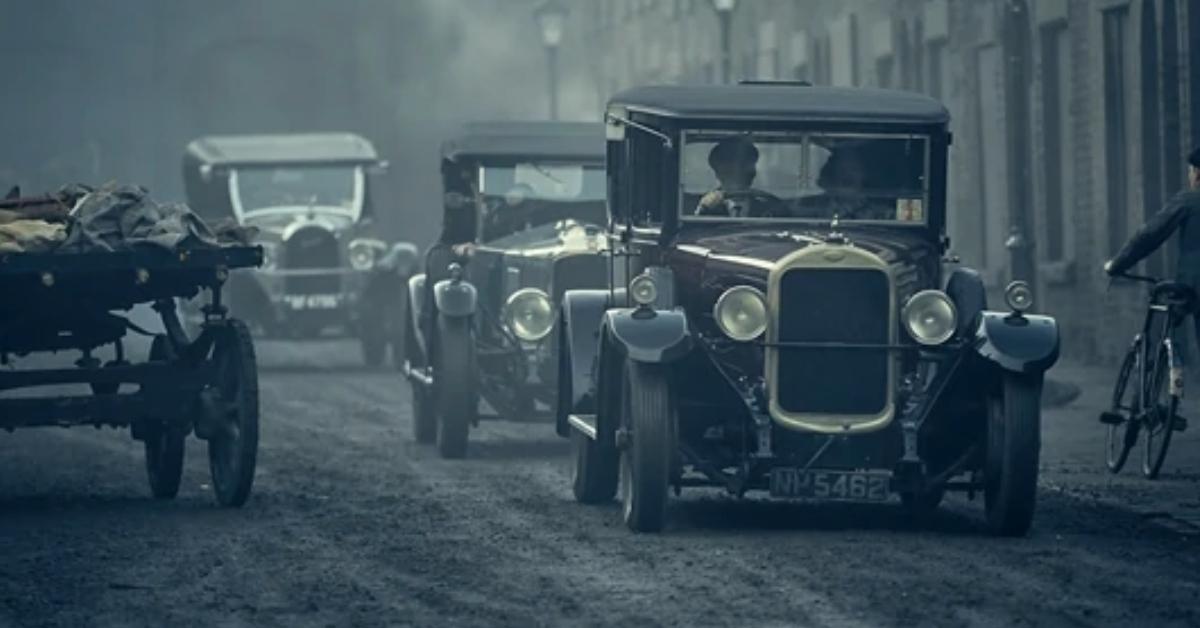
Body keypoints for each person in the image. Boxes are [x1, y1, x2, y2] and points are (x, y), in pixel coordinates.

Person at [694, 136, 762, 217]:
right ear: (718, 172)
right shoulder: (704, 205)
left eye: (745, 165)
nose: (739, 172)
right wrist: (703, 210)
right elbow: (691, 228)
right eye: (730, 168)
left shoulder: (770, 206)